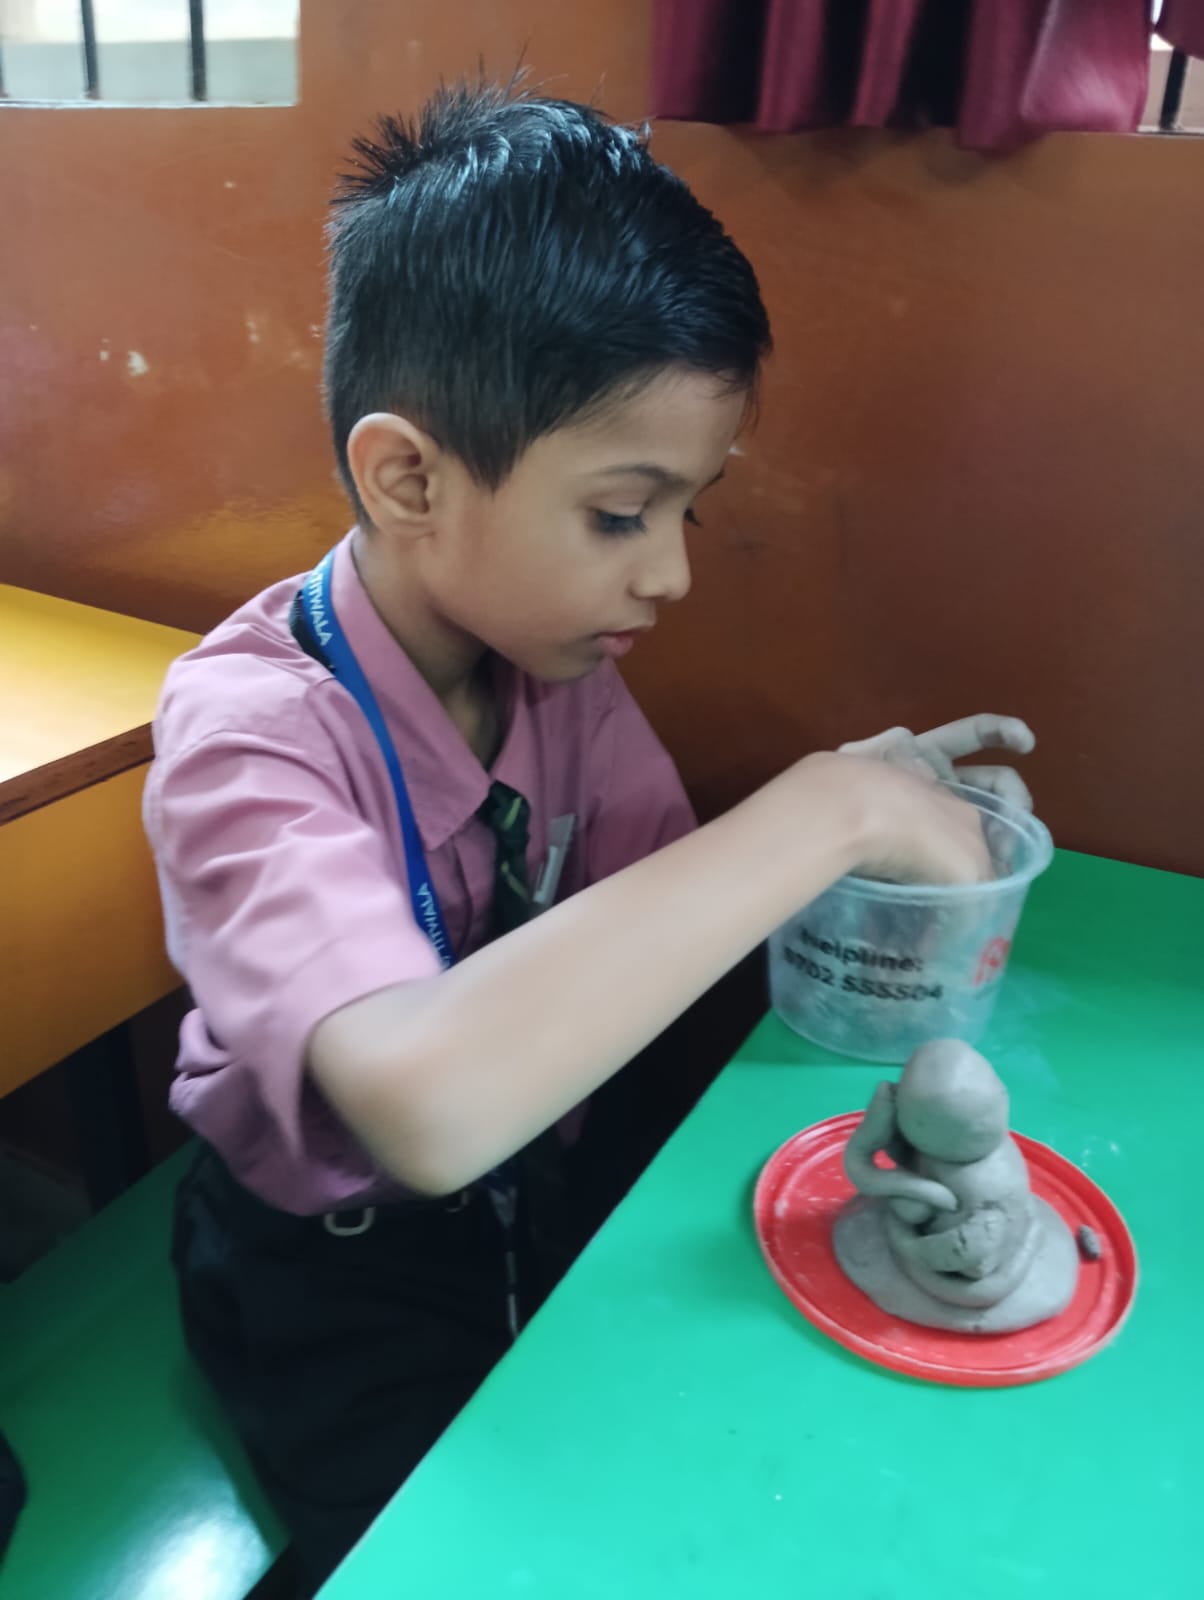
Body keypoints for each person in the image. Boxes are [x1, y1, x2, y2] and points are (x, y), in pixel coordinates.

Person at [144, 79, 1026, 1590]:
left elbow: (663, 933)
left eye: (690, 511)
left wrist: (875, 878)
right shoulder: (249, 736)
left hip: (542, 1177)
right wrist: (825, 808)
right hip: (337, 1263)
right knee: (468, 1556)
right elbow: (425, 1108)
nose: (669, 574)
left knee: (723, 1449)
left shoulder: (552, 665)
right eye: (624, 514)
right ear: (408, 477)